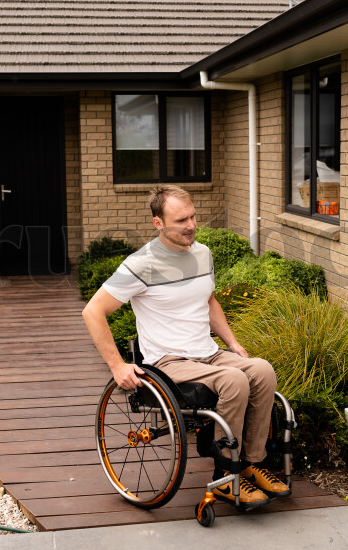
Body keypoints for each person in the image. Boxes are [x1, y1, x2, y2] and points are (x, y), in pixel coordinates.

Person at [82, 184, 290, 508]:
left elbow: (208, 301)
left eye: (193, 216)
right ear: (158, 223)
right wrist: (117, 365)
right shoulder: (140, 265)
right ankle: (225, 475)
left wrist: (232, 342)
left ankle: (251, 463)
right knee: (234, 381)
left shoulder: (202, 254)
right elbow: (92, 311)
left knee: (262, 371)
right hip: (168, 361)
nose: (191, 225)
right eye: (181, 220)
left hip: (207, 352)